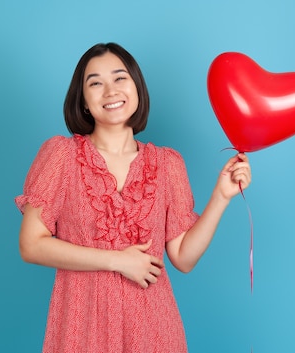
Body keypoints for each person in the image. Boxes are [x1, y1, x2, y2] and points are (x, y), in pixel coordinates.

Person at [16, 42, 251, 353]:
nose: (110, 90)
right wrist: (117, 260)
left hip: (154, 330)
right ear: (84, 101)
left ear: (137, 88)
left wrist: (221, 197)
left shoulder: (168, 164)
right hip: (82, 329)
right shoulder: (61, 156)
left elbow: (182, 256)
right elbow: (31, 244)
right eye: (95, 83)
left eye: (120, 78)